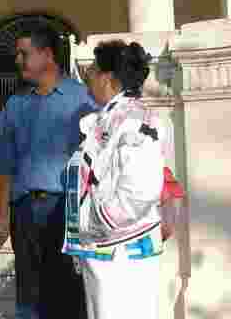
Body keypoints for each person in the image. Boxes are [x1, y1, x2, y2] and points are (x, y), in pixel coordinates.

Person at [0, 23, 95, 319]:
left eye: (24, 53)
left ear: (47, 54)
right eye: (16, 55)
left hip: (66, 210)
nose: (17, 60)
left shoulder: (83, 100)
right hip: (23, 211)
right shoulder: (14, 105)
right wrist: (1, 215)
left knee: (68, 294)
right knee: (29, 298)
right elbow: (4, 163)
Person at [63, 40, 166, 319]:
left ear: (107, 78)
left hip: (121, 253)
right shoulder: (107, 120)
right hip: (103, 252)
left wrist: (98, 222)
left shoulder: (136, 121)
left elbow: (140, 191)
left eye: (93, 71)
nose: (88, 79)